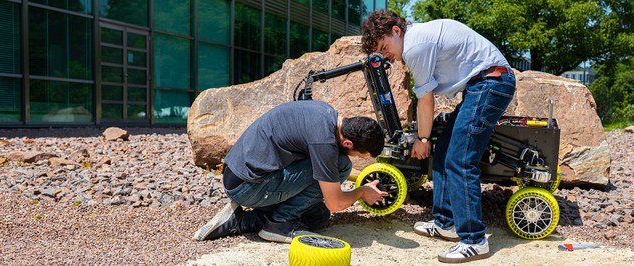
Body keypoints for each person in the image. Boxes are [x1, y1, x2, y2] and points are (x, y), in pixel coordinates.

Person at [361, 10, 517, 263]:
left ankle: (474, 240)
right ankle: (447, 223)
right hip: (482, 85)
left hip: (492, 83)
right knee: (444, 151)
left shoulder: (415, 46)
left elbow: (426, 100)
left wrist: (422, 140)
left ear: (396, 31)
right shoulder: (417, 39)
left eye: (384, 46)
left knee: (460, 160)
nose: (385, 53)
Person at [193, 100, 388, 243]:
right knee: (342, 165)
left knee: (318, 215)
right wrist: (361, 191)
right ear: (348, 143)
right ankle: (279, 225)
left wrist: (361, 180)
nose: (354, 157)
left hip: (238, 177)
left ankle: (240, 220)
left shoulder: (326, 113)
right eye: (358, 155)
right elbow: (336, 203)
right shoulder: (325, 143)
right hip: (248, 188)